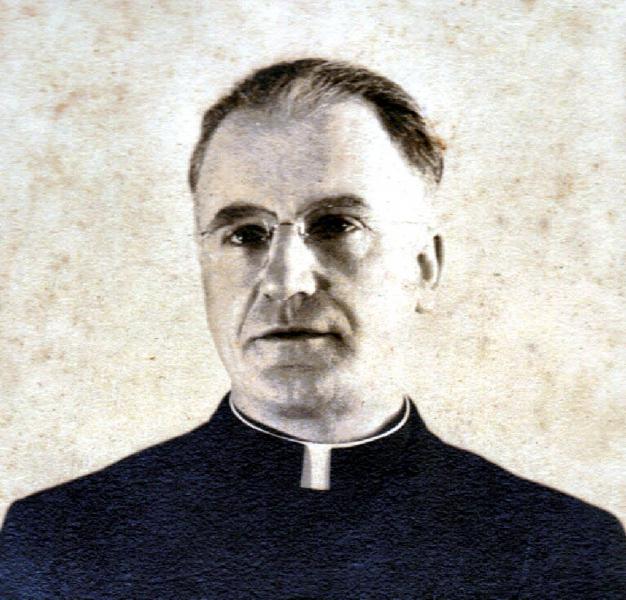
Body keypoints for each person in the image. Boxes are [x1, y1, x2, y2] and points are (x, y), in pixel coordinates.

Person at [1, 59, 624, 599]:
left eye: (336, 226)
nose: (284, 281)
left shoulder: (566, 554)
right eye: (245, 234)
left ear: (424, 267)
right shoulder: (60, 542)